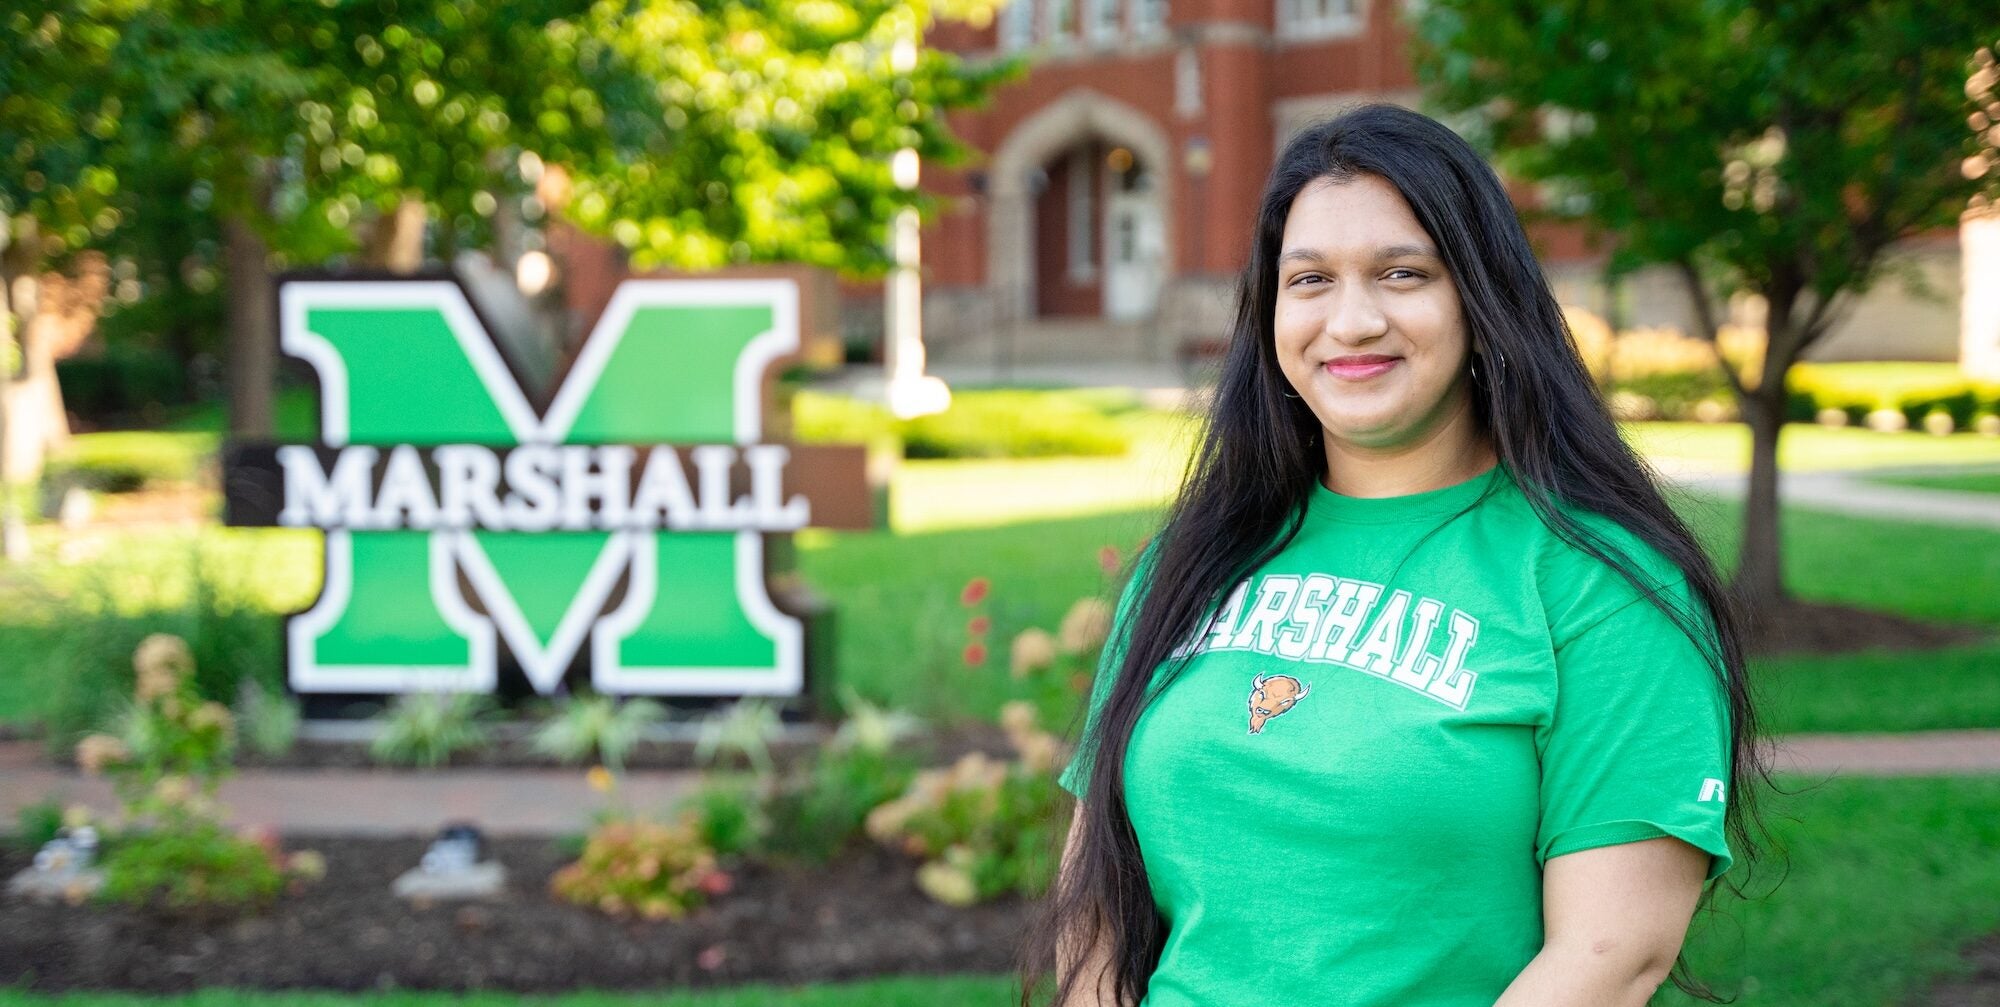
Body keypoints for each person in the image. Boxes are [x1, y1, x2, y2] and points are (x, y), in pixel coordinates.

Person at [1018, 104, 1770, 1007]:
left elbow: (1611, 959)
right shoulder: (1192, 563)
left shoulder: (1603, 584)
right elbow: (1094, 902)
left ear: (1480, 300)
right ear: (1269, 315)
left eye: (1402, 273)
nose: (1352, 320)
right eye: (1310, 280)